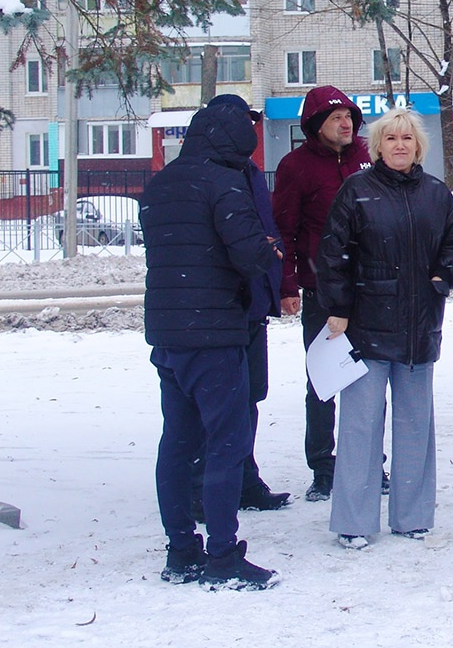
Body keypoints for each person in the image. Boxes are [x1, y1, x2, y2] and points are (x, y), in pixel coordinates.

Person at [142, 101, 281, 590]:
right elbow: (249, 254)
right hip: (216, 332)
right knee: (227, 442)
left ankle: (181, 550)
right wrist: (270, 250)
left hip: (167, 333)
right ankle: (222, 555)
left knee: (177, 443)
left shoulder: (162, 183)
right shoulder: (225, 183)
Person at [316, 106, 453, 548]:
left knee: (415, 424)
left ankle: (413, 516)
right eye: (390, 138)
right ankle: (353, 521)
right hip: (366, 326)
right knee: (361, 426)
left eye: (406, 139)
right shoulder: (356, 191)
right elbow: (334, 254)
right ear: (377, 146)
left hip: (420, 325)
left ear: (417, 146)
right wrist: (339, 306)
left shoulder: (436, 194)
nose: (399, 145)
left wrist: (442, 279)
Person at [271, 86, 373, 502]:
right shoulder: (295, 166)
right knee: (325, 380)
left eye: (348, 116)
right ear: (315, 124)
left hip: (370, 288)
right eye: (335, 118)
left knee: (368, 380)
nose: (345, 123)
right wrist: (287, 284)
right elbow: (284, 230)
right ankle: (324, 466)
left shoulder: (369, 156)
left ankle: (368, 463)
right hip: (321, 289)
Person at [198, 93, 289, 513]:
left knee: (250, 397)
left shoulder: (247, 171)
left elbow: (263, 230)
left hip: (253, 307)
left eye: (251, 121)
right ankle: (207, 487)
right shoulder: (210, 174)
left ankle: (244, 479)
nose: (249, 129)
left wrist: (273, 288)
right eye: (242, 121)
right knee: (219, 407)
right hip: (222, 313)